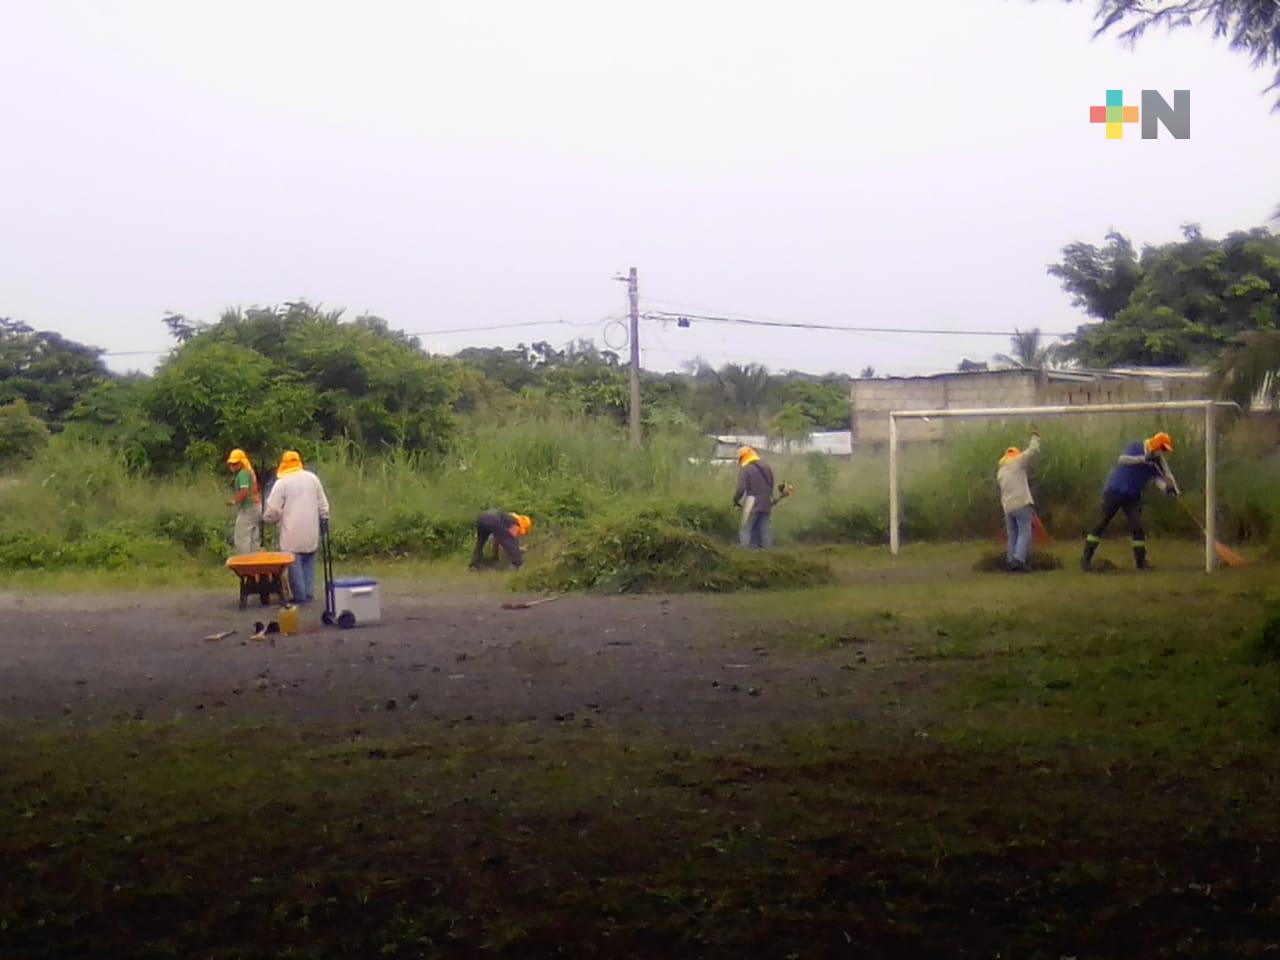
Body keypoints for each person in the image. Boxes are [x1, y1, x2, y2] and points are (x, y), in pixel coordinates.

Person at [1081, 431, 1179, 572]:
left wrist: (1167, 488)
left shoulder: (1156, 463)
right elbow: (1122, 460)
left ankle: (1141, 562)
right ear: (1156, 445)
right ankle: (1086, 559)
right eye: (1162, 449)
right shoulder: (1136, 447)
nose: (1163, 452)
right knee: (1101, 523)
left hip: (1132, 496)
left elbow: (1159, 480)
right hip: (1115, 490)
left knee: (1137, 527)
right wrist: (1144, 459)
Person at [262, 450, 330, 602]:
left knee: (294, 564)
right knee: (309, 561)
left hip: (291, 532)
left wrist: (267, 519)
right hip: (312, 529)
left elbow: (273, 509)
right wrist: (324, 518)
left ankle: (300, 596)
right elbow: (323, 504)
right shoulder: (313, 479)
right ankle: (309, 593)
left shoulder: (283, 483)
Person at [996, 426, 1042, 573]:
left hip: (1007, 507)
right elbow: (1032, 451)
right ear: (1015, 455)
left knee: (1013, 533)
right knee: (1024, 531)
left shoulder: (1001, 472)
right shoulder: (1017, 462)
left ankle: (1011, 560)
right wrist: (1035, 436)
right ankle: (1019, 560)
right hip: (1021, 504)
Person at [733, 445, 776, 550]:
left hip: (752, 501)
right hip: (766, 502)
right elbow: (771, 484)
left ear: (743, 457)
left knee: (746, 528)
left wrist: (735, 500)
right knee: (764, 528)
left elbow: (741, 488)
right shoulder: (766, 466)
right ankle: (768, 553)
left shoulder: (746, 469)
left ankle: (746, 552)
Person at [224, 448, 262, 555]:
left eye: (235, 463)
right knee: (254, 537)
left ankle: (244, 563)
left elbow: (244, 492)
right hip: (256, 506)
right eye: (231, 463)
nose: (233, 466)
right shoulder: (250, 472)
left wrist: (234, 501)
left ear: (241, 462)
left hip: (248, 508)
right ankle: (256, 563)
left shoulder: (243, 474)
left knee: (242, 536)